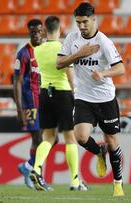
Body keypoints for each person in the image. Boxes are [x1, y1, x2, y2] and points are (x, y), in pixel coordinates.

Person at [56, 2, 125, 197]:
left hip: (105, 99)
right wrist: (79, 54)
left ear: (94, 19)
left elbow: (121, 68)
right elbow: (59, 63)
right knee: (80, 137)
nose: (82, 26)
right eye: (78, 22)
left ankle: (118, 183)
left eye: (85, 22)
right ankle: (98, 153)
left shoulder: (104, 42)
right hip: (83, 97)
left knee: (112, 141)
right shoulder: (72, 38)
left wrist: (103, 73)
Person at [30, 15, 88, 192]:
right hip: (63, 94)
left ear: (45, 30)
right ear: (60, 29)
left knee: (48, 137)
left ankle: (36, 168)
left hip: (45, 94)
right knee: (70, 137)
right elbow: (70, 75)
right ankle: (75, 180)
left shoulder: (38, 49)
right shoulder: (64, 47)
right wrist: (76, 95)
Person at [13, 19, 44, 189]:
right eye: (33, 32)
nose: (37, 34)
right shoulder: (23, 54)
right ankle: (36, 173)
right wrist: (19, 109)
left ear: (43, 31)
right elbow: (17, 83)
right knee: (39, 139)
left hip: (45, 101)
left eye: (39, 31)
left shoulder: (46, 51)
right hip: (30, 103)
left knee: (50, 140)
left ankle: (28, 167)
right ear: (29, 33)